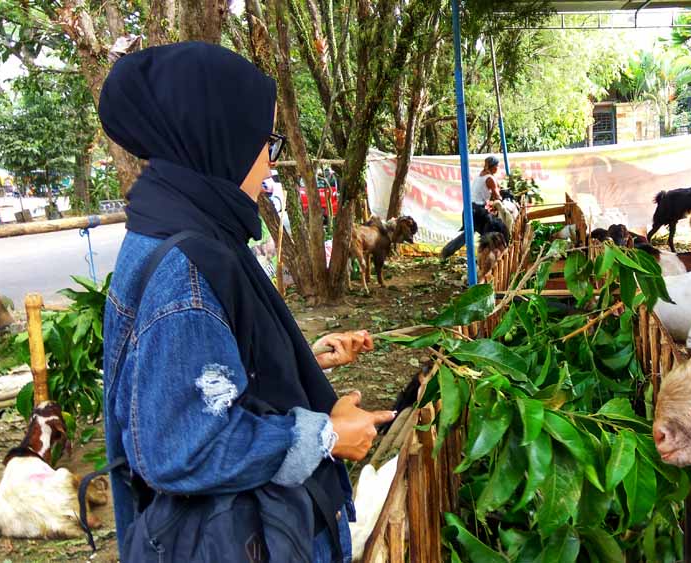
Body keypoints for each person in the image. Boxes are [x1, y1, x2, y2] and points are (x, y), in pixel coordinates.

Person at [97, 42, 393, 562]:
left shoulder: (177, 228)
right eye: (267, 142)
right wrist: (325, 436)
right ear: (222, 138)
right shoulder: (185, 267)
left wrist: (308, 357)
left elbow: (188, 371)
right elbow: (186, 446)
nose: (270, 163)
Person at [440, 156, 503, 260]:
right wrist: (502, 199)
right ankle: (487, 258)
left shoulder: (480, 175)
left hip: (469, 210)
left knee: (468, 234)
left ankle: (446, 252)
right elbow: (497, 195)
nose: (498, 169)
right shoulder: (490, 178)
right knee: (492, 231)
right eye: (497, 166)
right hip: (477, 211)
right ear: (494, 167)